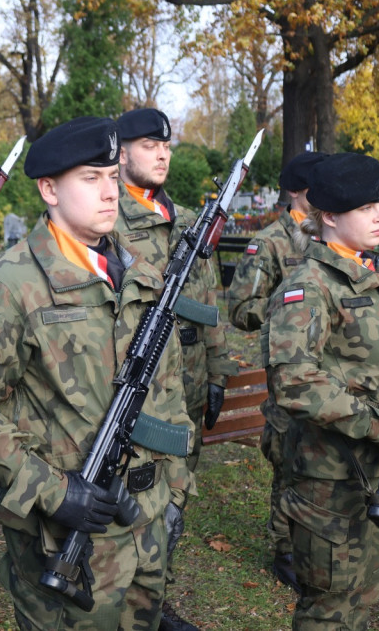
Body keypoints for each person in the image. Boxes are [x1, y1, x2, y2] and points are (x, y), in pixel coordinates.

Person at [0, 116, 194, 631]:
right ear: (49, 188)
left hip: (146, 528)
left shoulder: (144, 276)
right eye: (91, 178)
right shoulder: (8, 285)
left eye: (112, 177)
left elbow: (168, 391)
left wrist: (175, 489)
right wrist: (53, 491)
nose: (110, 193)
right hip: (66, 541)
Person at [264, 153, 379, 630]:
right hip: (327, 478)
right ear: (329, 216)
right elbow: (294, 380)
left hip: (373, 470)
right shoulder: (308, 286)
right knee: (328, 608)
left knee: (363, 597)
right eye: (366, 207)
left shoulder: (375, 273)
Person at [115, 107, 235, 631]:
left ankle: (153, 600)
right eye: (148, 145)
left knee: (174, 500)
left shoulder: (185, 220)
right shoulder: (107, 221)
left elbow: (210, 300)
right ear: (121, 153)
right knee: (130, 500)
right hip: (135, 386)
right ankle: (118, 601)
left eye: (166, 145)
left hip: (183, 385)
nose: (162, 153)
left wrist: (217, 371)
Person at [227, 150, 328, 596]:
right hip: (287, 367)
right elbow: (239, 308)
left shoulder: (331, 234)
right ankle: (285, 549)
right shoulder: (269, 242)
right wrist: (287, 310)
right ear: (294, 191)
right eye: (315, 187)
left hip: (330, 369)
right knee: (287, 455)